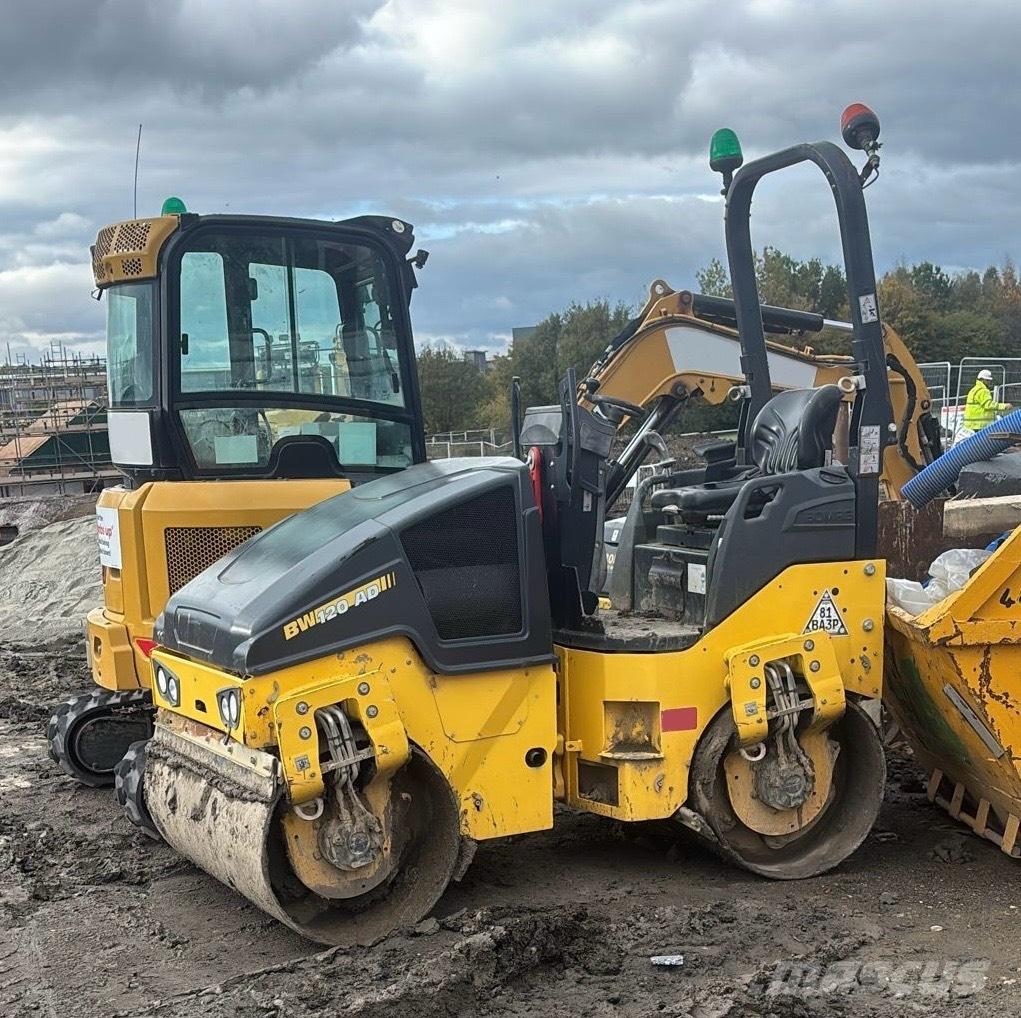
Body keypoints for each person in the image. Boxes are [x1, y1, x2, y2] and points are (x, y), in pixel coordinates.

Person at [958, 368, 1011, 441]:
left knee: (977, 446)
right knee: (984, 444)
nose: (989, 382)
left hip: (971, 424)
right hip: (980, 424)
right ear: (982, 380)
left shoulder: (974, 389)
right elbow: (988, 405)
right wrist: (1004, 406)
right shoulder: (983, 391)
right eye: (987, 380)